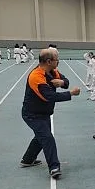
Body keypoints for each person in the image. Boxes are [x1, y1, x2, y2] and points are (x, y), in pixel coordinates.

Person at [20, 48, 81, 179]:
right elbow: (49, 96)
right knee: (47, 138)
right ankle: (54, 167)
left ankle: (27, 160)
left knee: (41, 136)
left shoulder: (52, 71)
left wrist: (62, 83)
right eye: (56, 59)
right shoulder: (36, 76)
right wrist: (70, 93)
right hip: (32, 114)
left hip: (44, 113)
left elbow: (65, 81)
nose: (58, 62)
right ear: (49, 61)